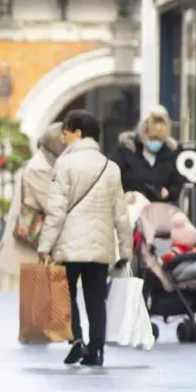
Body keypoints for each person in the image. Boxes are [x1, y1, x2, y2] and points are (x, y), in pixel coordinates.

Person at [38, 110, 132, 367]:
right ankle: (97, 350)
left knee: (64, 294)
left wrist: (45, 245)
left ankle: (77, 341)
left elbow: (57, 211)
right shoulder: (110, 167)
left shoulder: (65, 164)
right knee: (96, 298)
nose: (64, 138)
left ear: (78, 133)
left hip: (69, 245)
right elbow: (121, 213)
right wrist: (126, 249)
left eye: (66, 133)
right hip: (101, 245)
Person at [0, 123, 66, 292]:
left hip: (43, 241)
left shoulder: (49, 164)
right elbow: (51, 204)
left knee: (45, 296)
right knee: (39, 296)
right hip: (35, 238)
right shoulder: (39, 168)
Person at [110, 106, 185, 205]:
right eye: (152, 138)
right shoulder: (126, 151)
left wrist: (168, 193)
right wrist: (123, 194)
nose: (156, 142)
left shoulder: (169, 155)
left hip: (158, 209)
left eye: (160, 139)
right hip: (129, 209)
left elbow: (177, 182)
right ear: (143, 133)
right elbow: (110, 179)